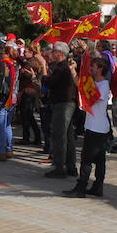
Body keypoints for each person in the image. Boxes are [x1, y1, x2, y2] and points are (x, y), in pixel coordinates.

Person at [63, 56, 111, 198]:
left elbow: (91, 96)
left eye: (93, 67)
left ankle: (81, 187)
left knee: (87, 159)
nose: (91, 69)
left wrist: (83, 78)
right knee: (98, 158)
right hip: (94, 125)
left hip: (98, 127)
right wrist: (74, 72)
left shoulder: (103, 85)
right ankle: (97, 187)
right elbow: (82, 87)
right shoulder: (96, 83)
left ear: (100, 69)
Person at [43, 42, 78, 178]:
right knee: (68, 136)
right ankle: (70, 166)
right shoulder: (63, 66)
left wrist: (43, 70)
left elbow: (50, 83)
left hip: (63, 103)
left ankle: (60, 167)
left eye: (53, 51)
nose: (51, 54)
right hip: (65, 102)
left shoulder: (63, 67)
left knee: (59, 136)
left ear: (59, 53)